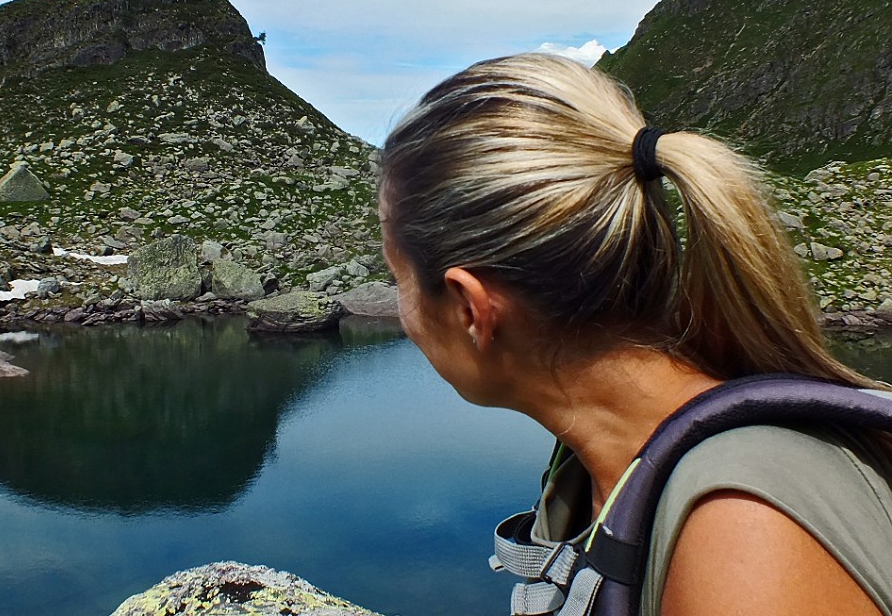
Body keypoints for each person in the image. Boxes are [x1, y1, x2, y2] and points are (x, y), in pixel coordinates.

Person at [377, 53, 892, 616]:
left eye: (396, 274)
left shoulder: (741, 530)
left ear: (471, 308)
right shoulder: (607, 470)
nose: (401, 310)